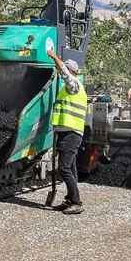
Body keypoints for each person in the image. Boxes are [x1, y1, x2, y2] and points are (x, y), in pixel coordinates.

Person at [46, 45, 87, 215]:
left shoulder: (74, 85)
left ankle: (76, 202)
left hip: (71, 133)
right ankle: (70, 200)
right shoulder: (67, 89)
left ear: (71, 70)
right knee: (71, 169)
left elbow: (65, 74)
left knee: (64, 168)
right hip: (67, 132)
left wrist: (55, 57)